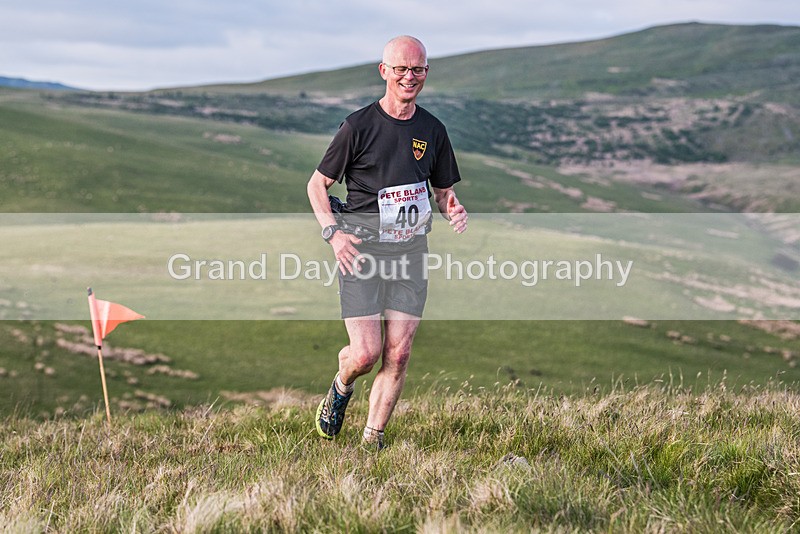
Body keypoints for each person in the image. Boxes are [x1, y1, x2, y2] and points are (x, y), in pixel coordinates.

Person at [307, 35, 468, 449]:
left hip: (410, 253)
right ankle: (341, 386)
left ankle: (371, 441)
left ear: (426, 73)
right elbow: (317, 185)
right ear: (384, 71)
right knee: (365, 354)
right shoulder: (358, 126)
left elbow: (443, 191)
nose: (408, 77)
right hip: (360, 251)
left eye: (417, 70)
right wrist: (333, 233)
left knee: (397, 354)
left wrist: (453, 208)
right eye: (400, 69)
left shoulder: (433, 130)